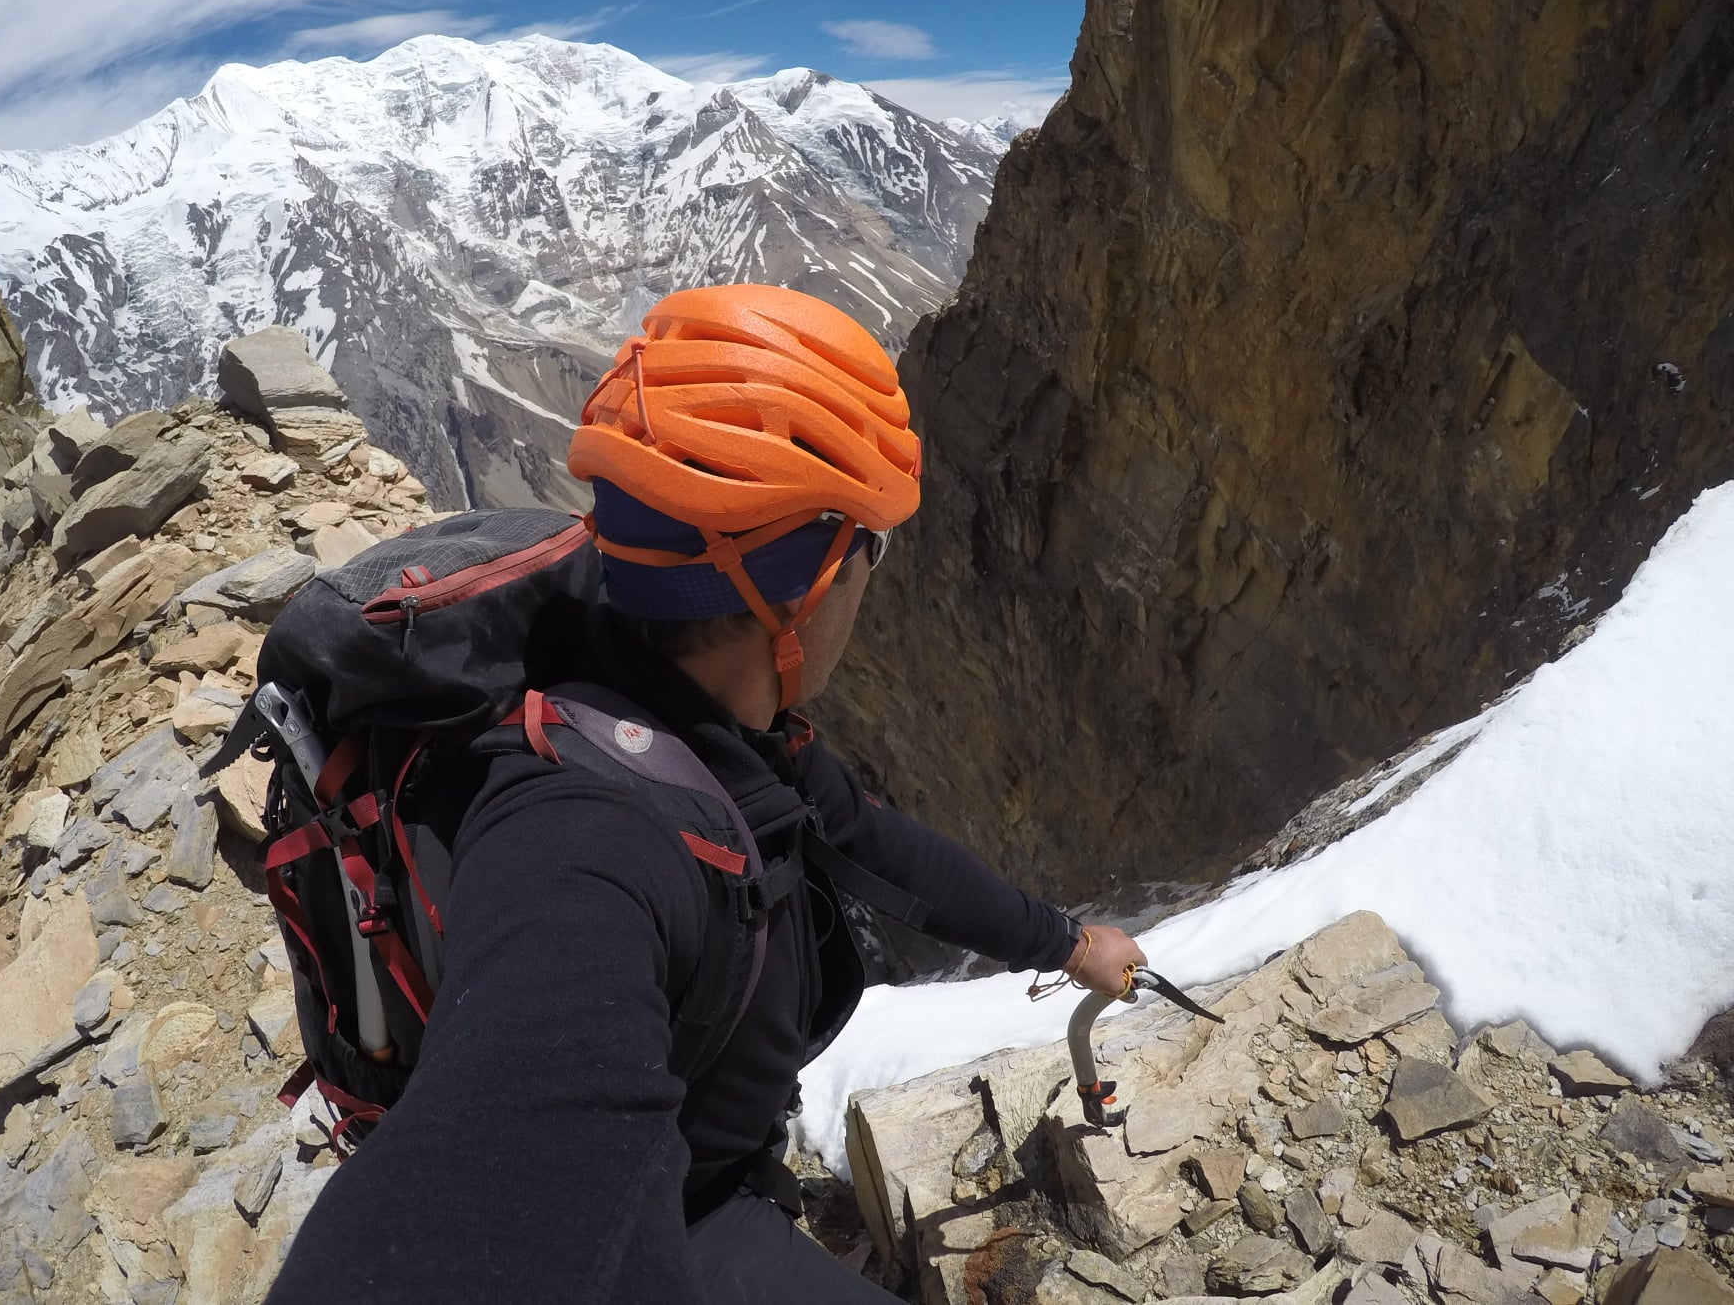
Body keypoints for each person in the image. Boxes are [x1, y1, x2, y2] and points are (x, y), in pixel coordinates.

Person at [268, 284, 1144, 1303]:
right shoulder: (580, 841)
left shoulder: (690, 708)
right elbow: (472, 1191)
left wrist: (1069, 943)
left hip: (702, 1176)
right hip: (685, 1220)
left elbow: (869, 842)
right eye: (870, 544)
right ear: (813, 577)